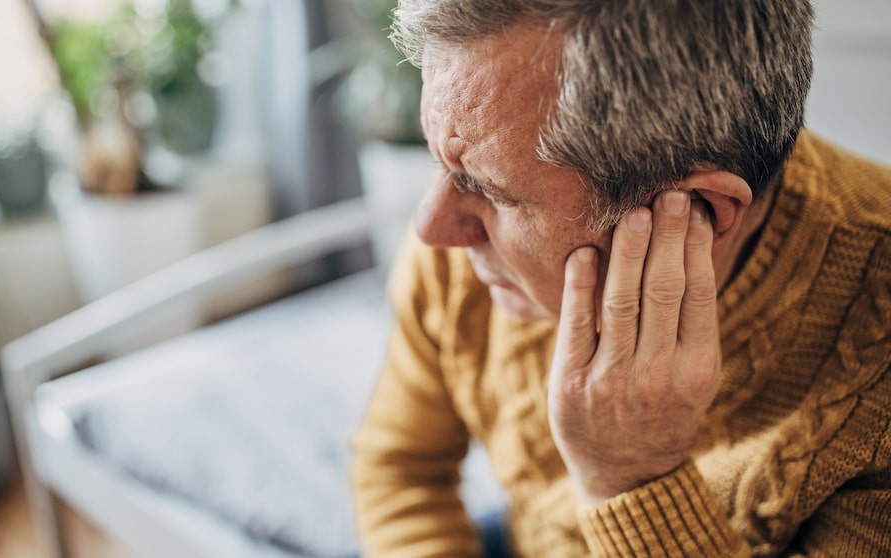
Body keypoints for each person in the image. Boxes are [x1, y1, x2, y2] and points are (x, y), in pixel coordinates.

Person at [351, 1, 891, 556]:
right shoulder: (465, 245)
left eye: (488, 189)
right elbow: (402, 468)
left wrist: (631, 478)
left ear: (695, 208)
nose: (431, 226)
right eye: (437, 161)